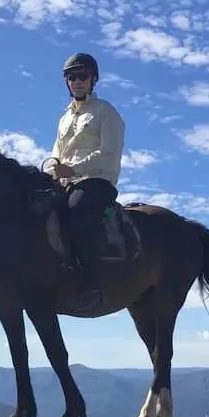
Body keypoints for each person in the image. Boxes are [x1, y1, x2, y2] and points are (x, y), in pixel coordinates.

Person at [44, 52, 126, 312]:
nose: (77, 81)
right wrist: (51, 169)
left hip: (97, 181)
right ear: (66, 82)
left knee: (75, 210)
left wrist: (73, 168)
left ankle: (93, 283)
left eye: (83, 76)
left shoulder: (106, 112)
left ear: (93, 79)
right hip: (65, 181)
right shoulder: (64, 117)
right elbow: (56, 153)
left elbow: (108, 153)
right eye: (72, 77)